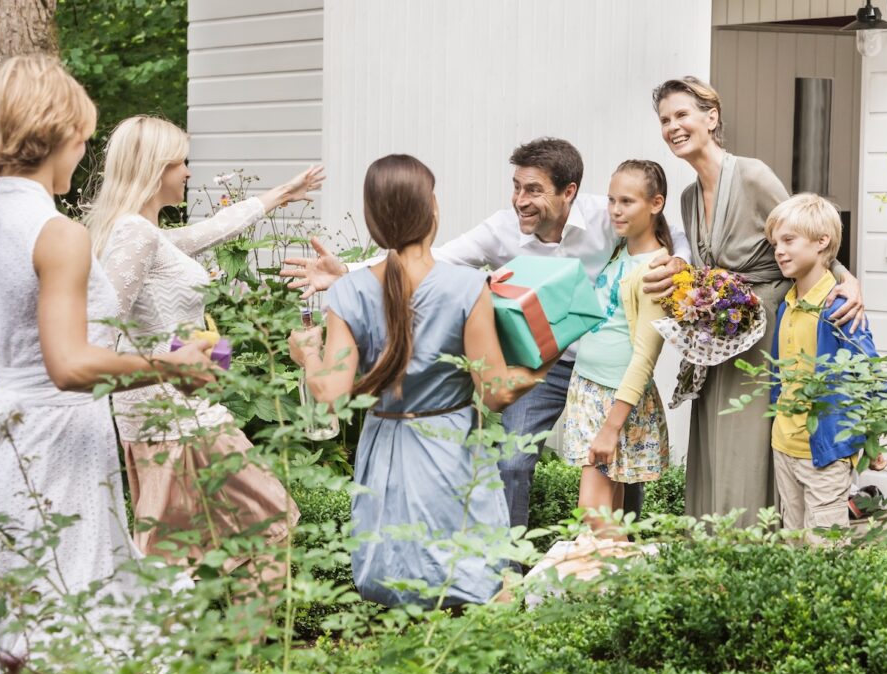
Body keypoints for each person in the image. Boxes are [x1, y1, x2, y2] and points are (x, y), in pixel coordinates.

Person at [280, 138, 692, 531]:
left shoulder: (609, 215)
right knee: (512, 461)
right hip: (540, 363)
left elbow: (668, 232)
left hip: (605, 365)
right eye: (516, 187)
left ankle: (629, 560)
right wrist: (349, 273)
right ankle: (508, 569)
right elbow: (437, 257)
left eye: (533, 190)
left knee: (620, 468)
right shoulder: (501, 230)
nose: (520, 201)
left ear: (569, 192)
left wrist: (677, 264)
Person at [0, 55, 211, 672]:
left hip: (2, 442)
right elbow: (68, 364)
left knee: (4, 618)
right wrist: (167, 367)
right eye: (84, 139)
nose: (83, 151)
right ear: (60, 135)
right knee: (71, 615)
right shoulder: (57, 233)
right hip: (60, 442)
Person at [286, 154, 549, 607]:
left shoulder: (347, 291)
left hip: (384, 446)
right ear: (431, 210)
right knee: (468, 574)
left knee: (392, 576)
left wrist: (306, 353)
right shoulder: (467, 287)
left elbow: (329, 395)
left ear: (372, 219)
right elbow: (495, 391)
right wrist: (539, 368)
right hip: (452, 446)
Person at [85, 115, 315, 585]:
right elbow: (99, 333)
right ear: (154, 169)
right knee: (248, 532)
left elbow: (210, 231)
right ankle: (201, 652)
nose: (188, 172)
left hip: (185, 412)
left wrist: (277, 196)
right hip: (170, 419)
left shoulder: (148, 234)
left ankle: (232, 652)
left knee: (230, 539)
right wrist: (170, 367)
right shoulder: (135, 234)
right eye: (181, 162)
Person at [649, 76, 865, 526]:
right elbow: (708, 268)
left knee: (745, 443)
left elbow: (804, 234)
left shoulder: (752, 174)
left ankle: (750, 552)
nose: (673, 126)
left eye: (682, 115)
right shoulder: (688, 197)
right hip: (720, 339)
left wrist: (849, 281)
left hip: (767, 335)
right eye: (665, 119)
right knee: (715, 440)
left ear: (712, 118)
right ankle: (714, 549)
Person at [562, 160, 672, 538]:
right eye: (611, 200)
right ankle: (618, 591)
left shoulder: (657, 270)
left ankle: (611, 589)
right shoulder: (619, 251)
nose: (615, 210)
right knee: (608, 517)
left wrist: (611, 428)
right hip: (588, 387)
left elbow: (645, 357)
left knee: (592, 516)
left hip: (615, 399)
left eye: (627, 201)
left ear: (655, 204)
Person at [765, 194, 879, 541]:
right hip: (784, 445)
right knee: (795, 541)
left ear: (821, 242)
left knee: (826, 549)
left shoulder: (841, 308)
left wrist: (872, 443)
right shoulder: (788, 304)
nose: (779, 251)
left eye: (788, 240)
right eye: (775, 244)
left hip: (825, 454)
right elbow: (779, 376)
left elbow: (868, 376)